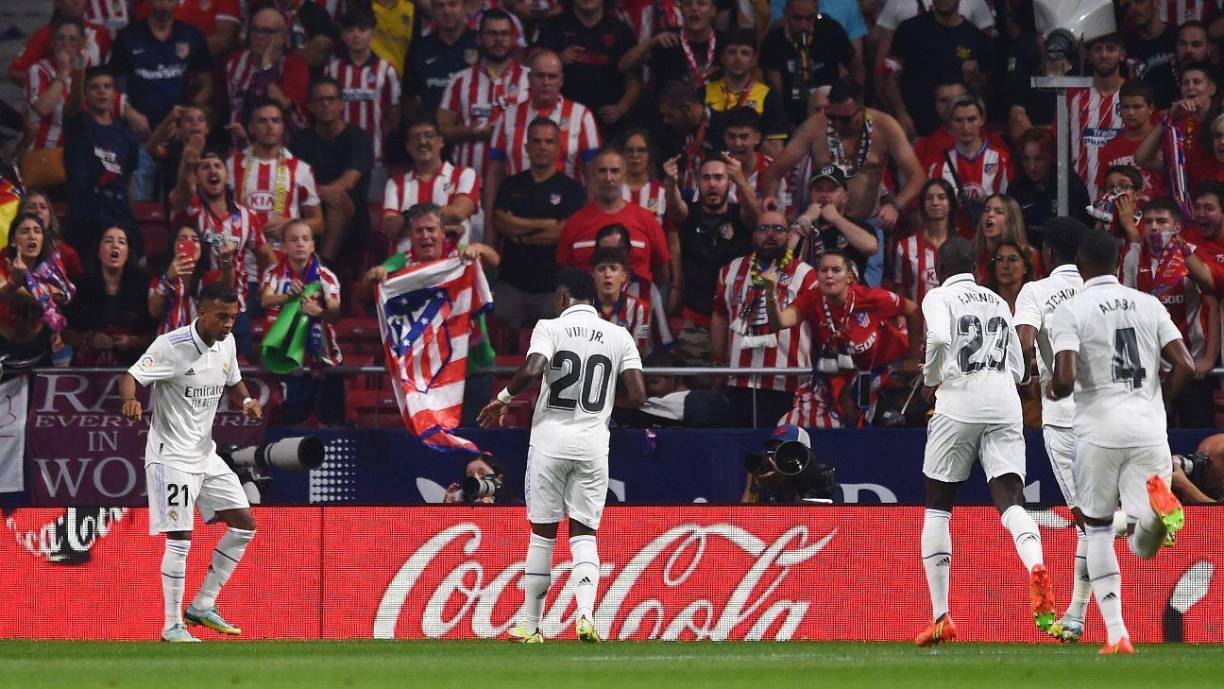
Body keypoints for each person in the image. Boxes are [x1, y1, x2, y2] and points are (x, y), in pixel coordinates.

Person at [477, 267, 646, 644]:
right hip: (592, 445)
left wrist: (502, 400)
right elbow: (638, 397)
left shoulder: (549, 327)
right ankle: (585, 616)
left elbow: (532, 370)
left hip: (551, 441)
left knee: (543, 535)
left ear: (561, 299)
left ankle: (533, 627)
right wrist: (601, 405)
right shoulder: (620, 335)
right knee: (585, 534)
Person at [1049, 228, 1196, 655]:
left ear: (1080, 261)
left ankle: (1117, 634)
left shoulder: (1073, 308)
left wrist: (1052, 393)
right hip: (1149, 428)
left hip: (1099, 429)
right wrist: (1158, 403)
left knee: (1096, 530)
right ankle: (1150, 518)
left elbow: (1064, 377)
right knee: (1139, 538)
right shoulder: (1149, 304)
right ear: (1117, 262)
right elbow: (1185, 364)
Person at [914, 237, 1056, 647]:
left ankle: (941, 616)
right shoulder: (997, 301)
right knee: (1011, 499)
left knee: (938, 507)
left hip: (959, 401)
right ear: (975, 267)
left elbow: (939, 339)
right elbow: (1018, 367)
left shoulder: (938, 297)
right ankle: (1036, 564)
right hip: (1003, 403)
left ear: (941, 266)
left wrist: (930, 377)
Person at [120, 281, 263, 643]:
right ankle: (172, 625)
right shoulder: (171, 346)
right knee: (180, 538)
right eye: (221, 316)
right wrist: (131, 400)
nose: (228, 324)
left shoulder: (226, 343)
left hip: (205, 453)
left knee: (244, 524)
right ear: (202, 312)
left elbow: (235, 382)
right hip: (171, 457)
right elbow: (131, 376)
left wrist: (245, 402)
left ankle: (202, 605)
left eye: (232, 317)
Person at [761, 79, 925, 286]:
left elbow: (917, 176)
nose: (837, 124)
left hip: (867, 228)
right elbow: (774, 171)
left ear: (861, 109)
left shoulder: (885, 126)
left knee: (866, 296)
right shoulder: (815, 126)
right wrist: (770, 197)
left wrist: (895, 205)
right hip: (821, 228)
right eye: (833, 117)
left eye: (845, 119)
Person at [1013, 217, 1090, 643]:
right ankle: (1078, 616)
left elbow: (1025, 340)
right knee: (1090, 522)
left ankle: (1138, 520)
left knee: (1088, 519)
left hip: (1062, 417)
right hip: (1107, 414)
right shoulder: (1103, 291)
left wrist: (1025, 375)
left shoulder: (1036, 291)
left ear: (1046, 253)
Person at [764, 248, 920, 428]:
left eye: (836, 270)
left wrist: (913, 358)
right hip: (849, 375)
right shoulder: (811, 299)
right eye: (824, 270)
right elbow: (780, 322)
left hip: (889, 368)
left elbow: (913, 309)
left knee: (885, 421)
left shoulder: (870, 298)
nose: (829, 275)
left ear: (849, 277)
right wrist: (770, 293)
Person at [1120, 198, 1220, 429]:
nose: (1154, 227)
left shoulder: (1192, 254)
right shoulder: (1132, 256)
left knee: (1197, 440)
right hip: (1148, 371)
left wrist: (1208, 359)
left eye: (1162, 221)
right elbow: (1123, 312)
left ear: (1176, 227)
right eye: (1149, 222)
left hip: (1191, 366)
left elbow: (1211, 302)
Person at [711, 209, 816, 427]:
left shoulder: (806, 275)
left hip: (786, 381)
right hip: (739, 379)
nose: (770, 234)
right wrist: (719, 361)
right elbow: (720, 314)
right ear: (753, 235)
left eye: (778, 229)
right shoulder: (731, 270)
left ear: (788, 235)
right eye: (763, 228)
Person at [108, 0, 213, 201]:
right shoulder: (128, 37)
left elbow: (207, 86)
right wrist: (130, 114)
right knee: (139, 199)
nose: (164, 4)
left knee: (180, 197)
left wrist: (187, 115)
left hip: (179, 136)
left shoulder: (191, 36)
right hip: (139, 133)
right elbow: (110, 85)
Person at [491, 118, 586, 335]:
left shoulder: (572, 189)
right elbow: (501, 222)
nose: (542, 146)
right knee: (501, 347)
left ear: (558, 148)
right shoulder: (510, 184)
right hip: (510, 283)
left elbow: (563, 233)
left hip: (553, 287)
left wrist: (521, 233)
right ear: (526, 147)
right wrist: (546, 223)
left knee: (553, 352)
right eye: (536, 141)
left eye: (548, 141)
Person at [484, 49, 602, 220]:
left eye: (552, 77)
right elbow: (494, 175)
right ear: (529, 79)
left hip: (567, 214)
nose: (546, 82)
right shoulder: (508, 116)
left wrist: (590, 222)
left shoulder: (582, 116)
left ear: (561, 80)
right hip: (516, 212)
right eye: (540, 76)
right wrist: (490, 227)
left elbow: (593, 175)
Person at [665, 154, 758, 365]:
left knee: (735, 387)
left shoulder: (740, 216)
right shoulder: (690, 213)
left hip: (737, 321)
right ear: (698, 182)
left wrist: (741, 179)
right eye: (706, 178)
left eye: (719, 177)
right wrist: (671, 183)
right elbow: (675, 210)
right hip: (696, 319)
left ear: (729, 182)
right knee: (696, 386)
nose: (712, 184)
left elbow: (757, 217)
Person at [260, 220, 344, 425]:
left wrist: (320, 311)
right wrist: (287, 298)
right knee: (293, 422)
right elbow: (265, 300)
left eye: (305, 239)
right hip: (289, 361)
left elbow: (335, 313)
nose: (300, 244)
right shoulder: (274, 273)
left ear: (313, 245)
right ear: (284, 246)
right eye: (294, 239)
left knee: (330, 423)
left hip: (324, 360)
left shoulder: (326, 276)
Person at [558, 148, 670, 293]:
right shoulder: (574, 223)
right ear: (593, 175)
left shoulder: (647, 220)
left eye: (615, 171)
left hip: (636, 312)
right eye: (602, 171)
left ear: (624, 175)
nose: (608, 178)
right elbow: (565, 271)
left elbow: (662, 271)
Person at [437, 10, 529, 180]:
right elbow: (442, 130)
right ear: (479, 39)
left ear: (513, 39)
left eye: (504, 34)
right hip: (468, 183)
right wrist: (473, 132)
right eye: (492, 34)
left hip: (518, 181)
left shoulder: (529, 79)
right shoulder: (460, 80)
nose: (499, 39)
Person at [291, 76, 374, 264]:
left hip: (351, 216)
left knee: (337, 199)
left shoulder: (357, 137)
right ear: (310, 107)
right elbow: (291, 179)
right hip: (309, 207)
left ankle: (322, 266)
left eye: (331, 99)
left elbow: (348, 181)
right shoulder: (300, 140)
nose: (326, 105)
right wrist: (319, 193)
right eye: (320, 101)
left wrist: (319, 193)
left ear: (341, 104)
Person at [882, 0, 994, 139]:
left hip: (958, 135)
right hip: (916, 130)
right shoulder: (909, 30)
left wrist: (975, 77)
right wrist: (900, 113)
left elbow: (986, 90)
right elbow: (889, 77)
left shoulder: (976, 38)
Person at [62, 65, 140, 258]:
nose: (102, 91)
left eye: (107, 86)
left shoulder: (127, 135)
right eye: (95, 87)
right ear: (85, 93)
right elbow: (73, 102)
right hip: (84, 219)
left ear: (115, 93)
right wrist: (78, 67)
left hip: (119, 218)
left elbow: (127, 181)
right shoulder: (78, 123)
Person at [536, 0, 640, 137]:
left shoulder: (621, 30)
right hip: (561, 120)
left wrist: (622, 107)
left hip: (608, 126)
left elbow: (634, 81)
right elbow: (531, 66)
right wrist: (557, 58)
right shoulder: (553, 26)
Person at [226, 99, 322, 246]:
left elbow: (319, 223)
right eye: (262, 121)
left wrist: (291, 225)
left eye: (275, 121)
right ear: (251, 128)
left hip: (284, 257)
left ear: (283, 127)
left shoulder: (301, 169)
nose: (270, 126)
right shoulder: (231, 165)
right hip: (241, 256)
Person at [759, 0, 859, 128]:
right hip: (792, 120)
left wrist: (854, 107)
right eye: (797, 18)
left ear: (817, 13)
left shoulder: (831, 30)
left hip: (834, 115)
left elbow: (857, 69)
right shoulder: (773, 41)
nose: (803, 25)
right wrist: (786, 125)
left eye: (809, 18)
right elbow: (777, 93)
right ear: (785, 14)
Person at [383, 116, 477, 251]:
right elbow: (391, 229)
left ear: (440, 141)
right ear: (408, 146)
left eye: (429, 136)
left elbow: (458, 213)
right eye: (415, 137)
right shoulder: (395, 184)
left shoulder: (465, 174)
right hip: (404, 266)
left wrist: (405, 221)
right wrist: (446, 226)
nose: (422, 141)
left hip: (451, 266)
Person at [63, 226, 153, 366]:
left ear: (128, 252)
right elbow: (65, 332)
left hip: (132, 367)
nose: (115, 245)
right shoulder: (80, 285)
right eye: (108, 241)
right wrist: (88, 340)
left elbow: (155, 333)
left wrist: (132, 342)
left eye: (122, 242)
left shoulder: (144, 285)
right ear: (98, 251)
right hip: (87, 370)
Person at [324, 7, 401, 171]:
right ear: (343, 35)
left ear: (372, 34)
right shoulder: (332, 70)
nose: (356, 35)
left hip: (376, 156)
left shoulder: (387, 71)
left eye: (362, 29)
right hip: (339, 157)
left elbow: (394, 117)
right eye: (350, 30)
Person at [0, 213, 76, 367]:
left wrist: (34, 288)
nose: (32, 236)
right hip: (4, 348)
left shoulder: (52, 271)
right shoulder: (3, 264)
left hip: (41, 349)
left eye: (37, 231)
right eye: (25, 231)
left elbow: (63, 297)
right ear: (13, 241)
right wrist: (15, 282)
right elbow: (4, 294)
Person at [702, 30, 788, 156]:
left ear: (753, 60)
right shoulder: (704, 92)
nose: (738, 58)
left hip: (752, 170)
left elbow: (776, 152)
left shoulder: (768, 96)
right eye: (731, 52)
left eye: (745, 53)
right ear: (722, 58)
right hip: (713, 169)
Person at [1135, 63, 1221, 189]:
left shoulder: (1221, 121)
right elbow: (1141, 158)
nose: (1190, 87)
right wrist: (1170, 116)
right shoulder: (1176, 126)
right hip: (1187, 202)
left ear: (1212, 89)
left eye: (1196, 82)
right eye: (1185, 83)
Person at [225, 5, 310, 128]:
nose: (259, 36)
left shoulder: (295, 65)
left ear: (282, 36)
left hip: (282, 141)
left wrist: (267, 67)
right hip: (240, 140)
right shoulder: (235, 61)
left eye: (267, 31)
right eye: (255, 29)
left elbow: (289, 113)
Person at [791, 164, 879, 280]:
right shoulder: (801, 225)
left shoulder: (858, 225)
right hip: (807, 293)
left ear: (845, 196)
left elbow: (870, 247)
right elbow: (781, 258)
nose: (824, 195)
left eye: (831, 189)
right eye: (818, 189)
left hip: (850, 292)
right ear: (811, 194)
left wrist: (836, 219)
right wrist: (805, 220)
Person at [1008, 127, 1092, 248]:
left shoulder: (1070, 185)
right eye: (1026, 159)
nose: (1031, 167)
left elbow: (1083, 229)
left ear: (1051, 158)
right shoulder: (1016, 187)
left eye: (1038, 159)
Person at [1068, 34, 1127, 199]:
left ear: (1122, 54)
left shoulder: (1135, 95)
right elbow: (1057, 139)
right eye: (1097, 49)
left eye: (1110, 49)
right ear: (1088, 55)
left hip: (1124, 196)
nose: (1104, 55)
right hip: (1080, 196)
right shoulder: (1073, 96)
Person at [618, 0, 725, 90]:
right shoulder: (665, 39)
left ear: (713, 11)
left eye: (701, 4)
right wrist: (650, 43)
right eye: (687, 4)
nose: (694, 8)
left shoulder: (725, 43)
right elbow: (624, 66)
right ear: (681, 10)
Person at [149, 223, 234, 335]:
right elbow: (154, 311)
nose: (189, 243)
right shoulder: (160, 279)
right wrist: (167, 279)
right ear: (173, 246)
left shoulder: (208, 279)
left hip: (201, 344)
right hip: (168, 344)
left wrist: (226, 260)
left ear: (202, 248)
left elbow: (226, 289)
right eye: (182, 239)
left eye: (195, 240)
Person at [8, 0, 112, 86]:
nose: (76, 1)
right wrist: (53, 83)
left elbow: (114, 69)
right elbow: (16, 72)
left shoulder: (100, 32)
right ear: (57, 2)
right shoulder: (45, 34)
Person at [405, 0, 478, 119]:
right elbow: (410, 99)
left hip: (472, 131)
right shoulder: (419, 50)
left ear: (464, 7)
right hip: (433, 133)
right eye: (440, 6)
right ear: (433, 9)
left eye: (452, 4)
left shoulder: (480, 44)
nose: (447, 11)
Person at [893, 178, 959, 306]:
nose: (935, 203)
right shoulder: (905, 247)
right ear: (922, 204)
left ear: (950, 203)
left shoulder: (963, 248)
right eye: (929, 198)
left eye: (941, 197)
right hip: (919, 323)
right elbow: (900, 289)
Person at [1143, 20, 1214, 110]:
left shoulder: (1218, 76)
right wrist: (1171, 113)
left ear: (1209, 48)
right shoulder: (1156, 76)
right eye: (1183, 44)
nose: (1188, 50)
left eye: (1196, 45)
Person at [591, 247, 651, 353]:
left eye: (613, 269)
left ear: (624, 276)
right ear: (593, 276)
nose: (607, 275)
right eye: (601, 269)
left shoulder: (640, 308)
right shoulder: (581, 308)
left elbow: (638, 353)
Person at [973, 194, 1041, 281]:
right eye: (986, 210)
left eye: (999, 212)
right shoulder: (972, 255)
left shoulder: (1029, 255)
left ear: (1011, 220)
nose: (990, 214)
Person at [620, 128, 668, 226]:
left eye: (641, 150)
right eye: (629, 150)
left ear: (649, 154)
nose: (635, 155)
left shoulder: (660, 191)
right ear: (622, 154)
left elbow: (671, 233)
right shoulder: (613, 190)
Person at [1123, 0, 1177, 81]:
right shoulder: (1125, 44)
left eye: (1139, 2)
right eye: (1128, 4)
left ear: (1156, 2)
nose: (1133, 8)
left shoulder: (1177, 37)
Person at [985, 240, 1034, 314]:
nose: (1005, 266)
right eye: (999, 259)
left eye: (1012, 259)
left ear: (1025, 267)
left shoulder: (1036, 299)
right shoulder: (983, 300)